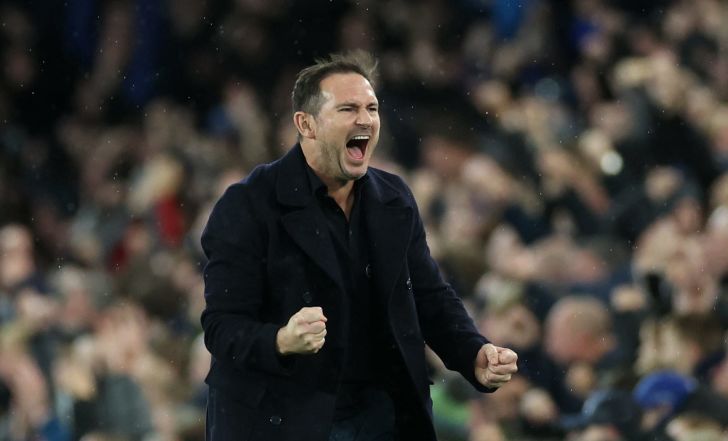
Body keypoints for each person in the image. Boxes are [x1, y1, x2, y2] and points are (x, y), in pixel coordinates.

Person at [200, 51, 518, 441]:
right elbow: (222, 327)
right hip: (282, 416)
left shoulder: (394, 199)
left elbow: (428, 296)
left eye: (372, 108)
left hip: (379, 414)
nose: (365, 119)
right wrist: (280, 340)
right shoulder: (248, 204)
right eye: (348, 109)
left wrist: (473, 352)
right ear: (306, 124)